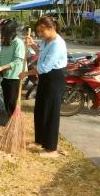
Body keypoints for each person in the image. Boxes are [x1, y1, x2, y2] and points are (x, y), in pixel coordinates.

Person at [20, 16, 67, 158]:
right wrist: (33, 44)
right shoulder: (47, 40)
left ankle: (51, 148)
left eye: (42, 31)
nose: (40, 34)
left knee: (50, 112)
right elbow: (41, 52)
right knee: (40, 110)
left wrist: (26, 73)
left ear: (51, 28)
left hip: (54, 78)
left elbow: (45, 67)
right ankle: (40, 141)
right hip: (45, 79)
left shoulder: (57, 44)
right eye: (38, 32)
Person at [0, 19, 25, 127]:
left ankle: (13, 125)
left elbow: (18, 60)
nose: (2, 33)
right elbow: (1, 57)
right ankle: (4, 122)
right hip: (4, 76)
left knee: (11, 102)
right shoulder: (6, 42)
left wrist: (2, 67)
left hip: (14, 76)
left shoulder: (18, 43)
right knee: (4, 101)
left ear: (10, 31)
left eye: (4, 31)